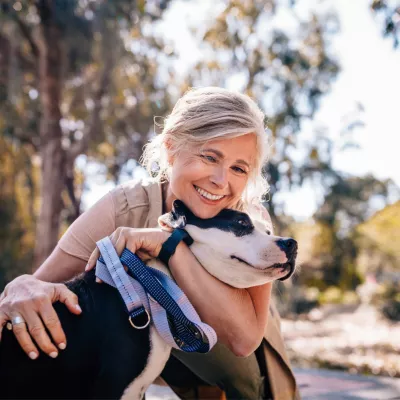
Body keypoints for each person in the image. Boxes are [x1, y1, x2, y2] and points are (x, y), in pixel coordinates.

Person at [0, 87, 300, 400]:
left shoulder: (252, 225)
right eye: (210, 157)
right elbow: (41, 287)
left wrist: (169, 246)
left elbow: (243, 340)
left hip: (239, 368)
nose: (221, 180)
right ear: (171, 149)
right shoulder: (125, 207)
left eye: (239, 168)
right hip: (142, 350)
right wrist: (20, 287)